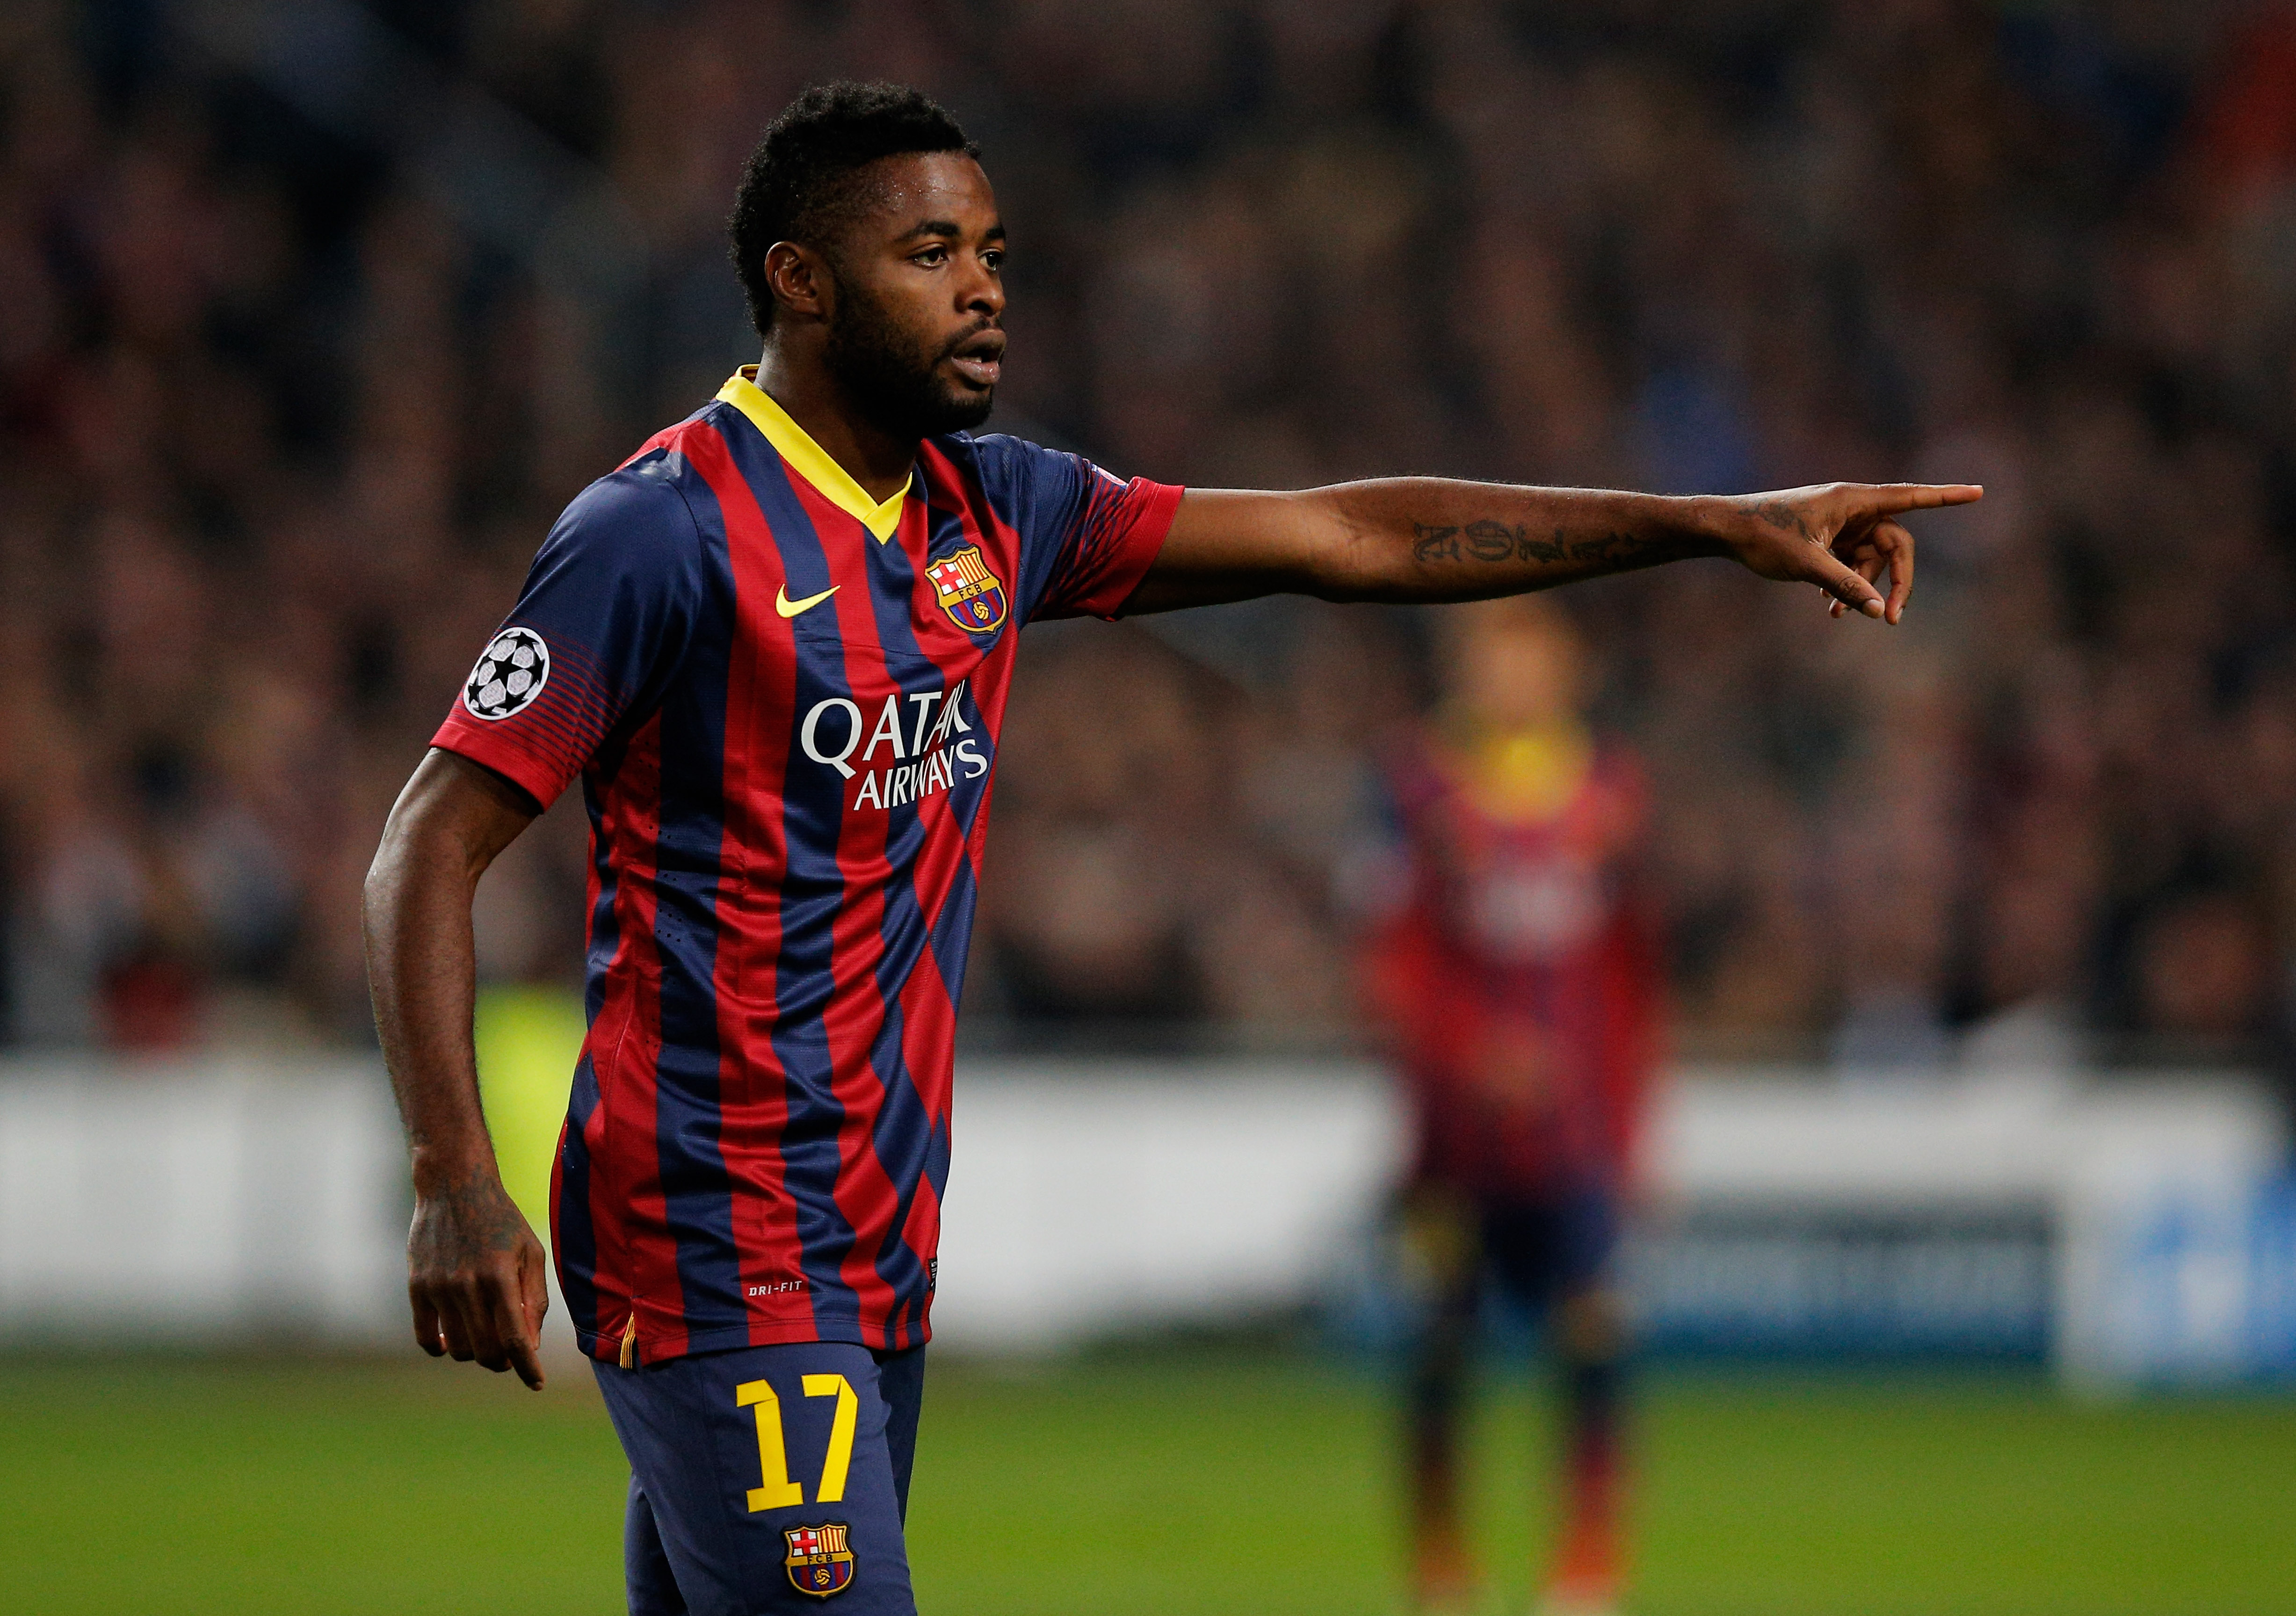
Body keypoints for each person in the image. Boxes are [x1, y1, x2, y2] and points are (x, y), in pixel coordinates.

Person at [361, 79, 1977, 1616]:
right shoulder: (662, 532)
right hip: (714, 1216)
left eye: (992, 253)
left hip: (873, 1220)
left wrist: (1711, 523)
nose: (983, 289)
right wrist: (451, 1178)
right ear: (799, 281)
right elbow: (428, 840)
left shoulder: (997, 513)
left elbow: (1348, 533)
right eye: (928, 255)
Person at [1363, 599, 1663, 1616]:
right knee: (1443, 1344)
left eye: (1530, 662)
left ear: (1567, 672)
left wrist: (1635, 1129)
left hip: (1575, 1135)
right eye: (1492, 661)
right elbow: (1395, 961)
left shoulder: (1611, 791)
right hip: (1456, 1140)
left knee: (1597, 1334)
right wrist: (1465, 1056)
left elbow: (1633, 977)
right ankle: (1441, 1559)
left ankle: (1589, 1562)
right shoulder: (1419, 788)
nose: (1511, 680)